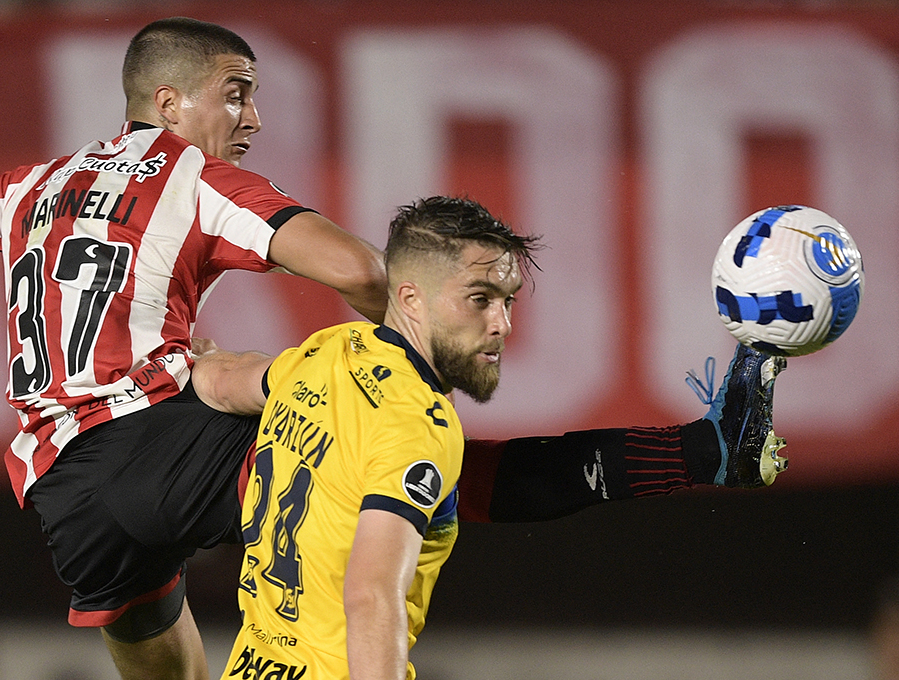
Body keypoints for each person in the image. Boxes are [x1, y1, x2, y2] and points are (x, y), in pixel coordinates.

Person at [0, 16, 387, 680]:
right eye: (236, 93)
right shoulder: (198, 179)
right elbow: (365, 273)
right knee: (371, 449)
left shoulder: (32, 185)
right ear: (169, 102)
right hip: (155, 440)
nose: (254, 118)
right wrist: (408, 360)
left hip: (67, 493)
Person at [188, 195, 789, 680]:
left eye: (506, 301)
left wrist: (192, 360)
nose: (502, 324)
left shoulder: (321, 355)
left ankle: (706, 451)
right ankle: (709, 451)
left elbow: (218, 380)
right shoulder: (418, 427)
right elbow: (372, 596)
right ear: (409, 298)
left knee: (473, 482)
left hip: (251, 667)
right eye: (479, 300)